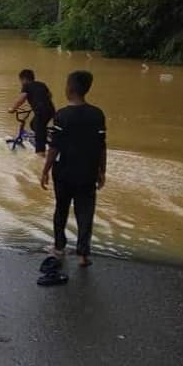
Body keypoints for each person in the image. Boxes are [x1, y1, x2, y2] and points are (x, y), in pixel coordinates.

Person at [40, 70, 107, 268]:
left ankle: (59, 247)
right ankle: (83, 255)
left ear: (69, 88)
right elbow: (102, 145)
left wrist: (45, 170)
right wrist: (102, 170)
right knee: (85, 212)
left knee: (61, 209)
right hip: (88, 172)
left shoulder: (61, 115)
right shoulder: (97, 114)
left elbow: (54, 147)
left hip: (64, 172)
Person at [9, 69, 55, 156]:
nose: (21, 83)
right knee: (33, 124)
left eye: (21, 81)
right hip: (50, 110)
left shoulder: (26, 86)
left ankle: (40, 154)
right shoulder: (42, 84)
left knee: (39, 131)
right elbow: (50, 95)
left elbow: (21, 99)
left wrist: (12, 109)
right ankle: (47, 135)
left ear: (24, 79)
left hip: (41, 112)